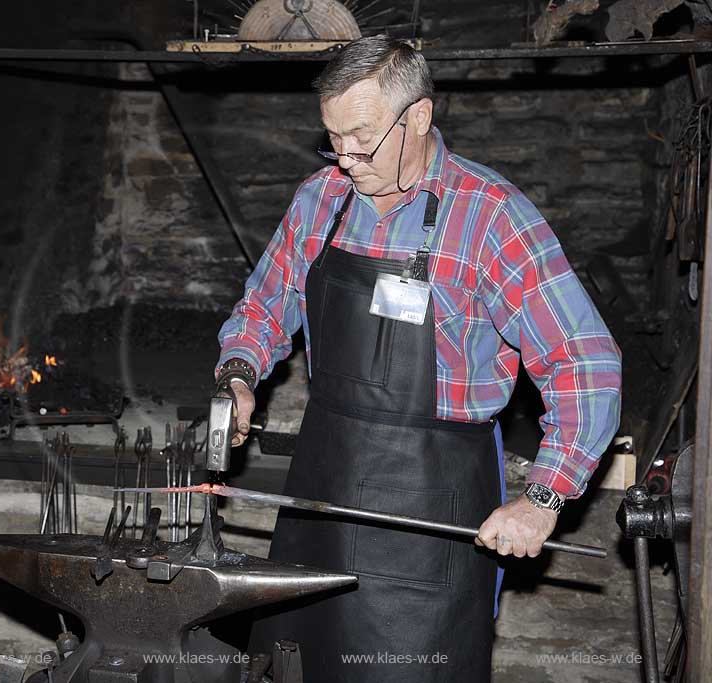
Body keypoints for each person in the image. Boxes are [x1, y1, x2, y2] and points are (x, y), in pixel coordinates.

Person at [213, 35, 622, 682]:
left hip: (433, 518)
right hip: (322, 491)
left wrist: (544, 496)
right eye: (332, 138)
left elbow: (587, 362)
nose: (344, 157)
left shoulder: (491, 217)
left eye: (362, 137)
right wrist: (238, 374)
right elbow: (266, 304)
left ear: (420, 118)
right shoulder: (319, 199)